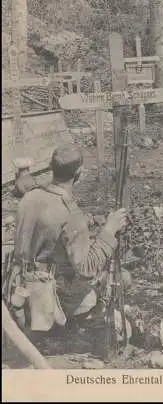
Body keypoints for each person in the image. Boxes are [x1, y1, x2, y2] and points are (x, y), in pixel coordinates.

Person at [5, 143, 128, 334]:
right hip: (50, 293)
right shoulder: (70, 213)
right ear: (79, 172)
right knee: (122, 279)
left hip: (20, 286)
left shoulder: (29, 197)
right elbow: (86, 269)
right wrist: (109, 231)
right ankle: (68, 323)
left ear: (51, 168)